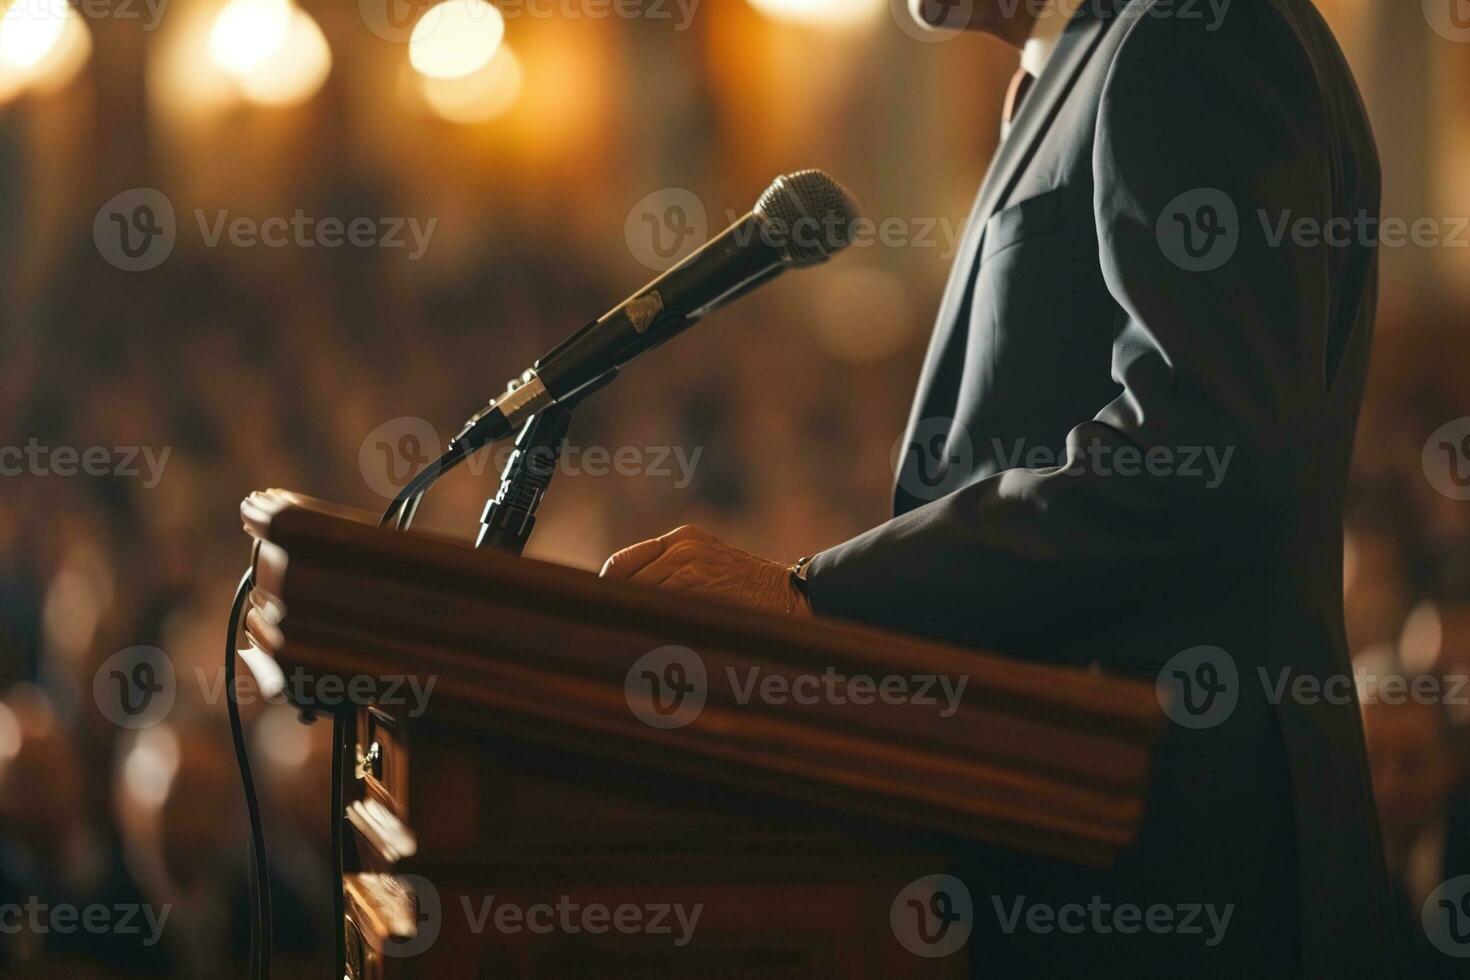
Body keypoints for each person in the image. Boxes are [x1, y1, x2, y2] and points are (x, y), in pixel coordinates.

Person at [602, 0, 1393, 973]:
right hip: (1069, 822)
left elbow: (1207, 446)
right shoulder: (1077, 63)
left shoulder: (1193, 31)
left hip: (1178, 857)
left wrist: (820, 595)